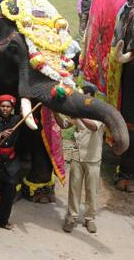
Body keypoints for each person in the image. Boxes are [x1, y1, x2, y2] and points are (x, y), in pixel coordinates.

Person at [54, 86, 104, 234]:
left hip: (93, 158)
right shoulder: (76, 113)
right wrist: (55, 111)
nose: (83, 102)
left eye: (86, 98)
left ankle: (90, 219)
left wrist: (79, 116)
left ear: (92, 98)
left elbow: (94, 127)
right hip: (76, 156)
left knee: (91, 191)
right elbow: (63, 125)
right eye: (81, 98)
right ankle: (71, 217)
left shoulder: (98, 114)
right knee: (74, 189)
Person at [0, 95, 22, 230]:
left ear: (12, 108)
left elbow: (31, 122)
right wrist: (0, 135)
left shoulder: (17, 120)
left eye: (8, 106)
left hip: (10, 162)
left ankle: (2, 220)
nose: (5, 109)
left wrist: (24, 114)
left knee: (9, 193)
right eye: (3, 106)